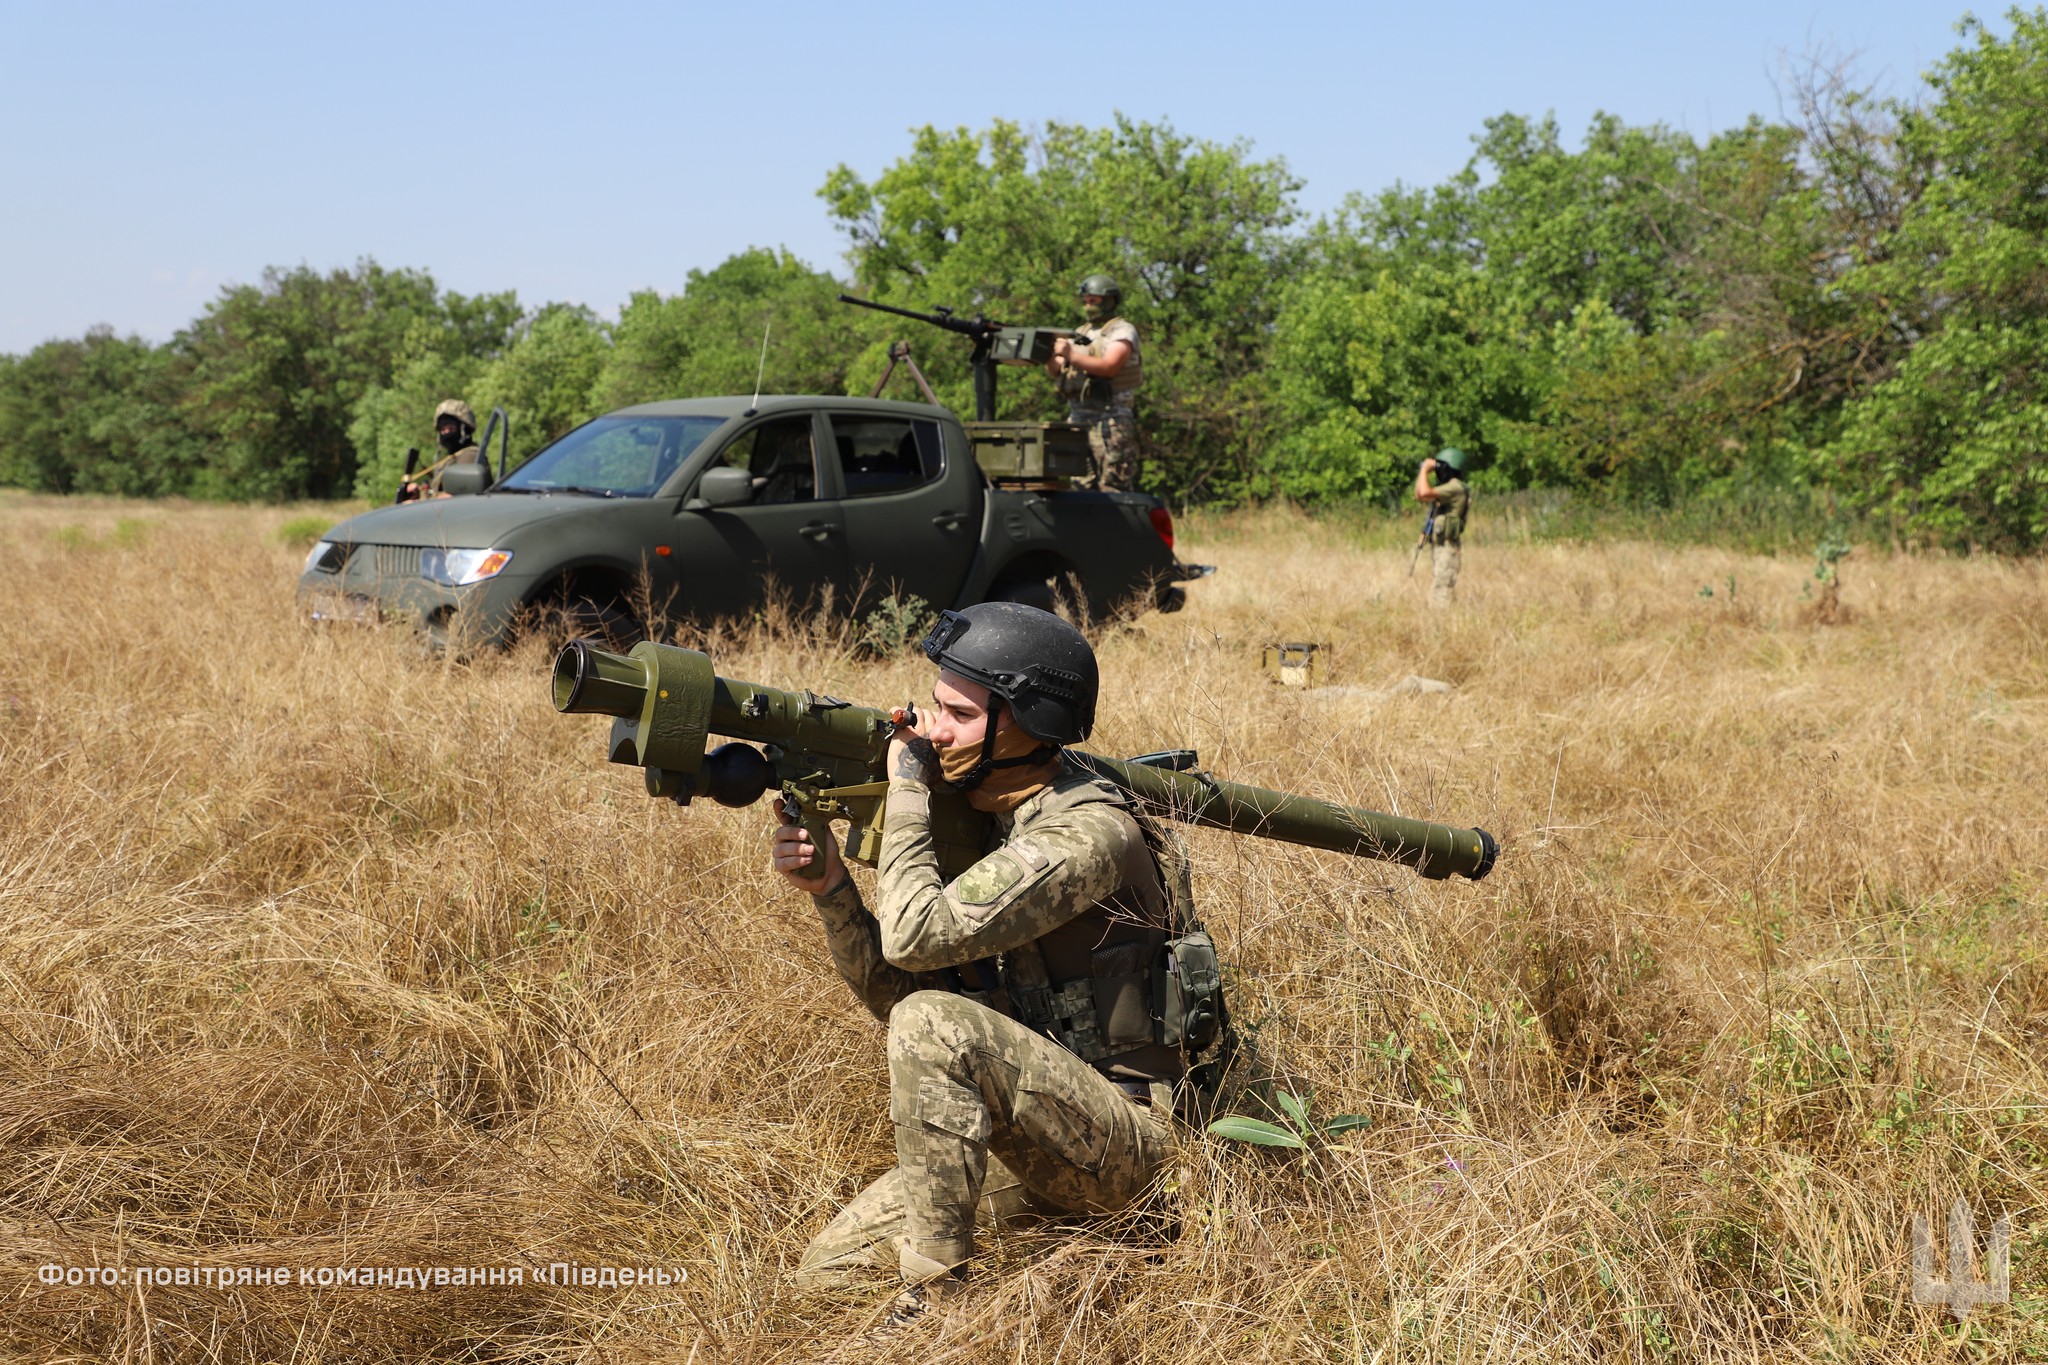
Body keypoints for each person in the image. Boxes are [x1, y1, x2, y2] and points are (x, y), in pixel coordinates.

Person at [771, 602, 1204, 1323]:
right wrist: (832, 892)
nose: (931, 730)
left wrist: (905, 784)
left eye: (957, 714)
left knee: (932, 1023)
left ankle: (937, 1302)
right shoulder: (992, 814)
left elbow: (916, 949)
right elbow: (901, 991)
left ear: (1027, 724)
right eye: (935, 706)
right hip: (1041, 1124)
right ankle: (1069, 1236)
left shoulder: (1088, 834)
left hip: (1135, 1147)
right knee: (827, 1274)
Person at [1046, 274, 1143, 492]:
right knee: (1080, 485)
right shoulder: (1080, 333)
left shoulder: (1122, 331)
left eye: (1094, 300)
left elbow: (1110, 366)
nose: (1088, 306)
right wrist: (1048, 354)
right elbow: (1055, 370)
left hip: (1111, 419)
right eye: (1086, 300)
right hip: (1078, 420)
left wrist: (1070, 354)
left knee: (1113, 485)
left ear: (1109, 300)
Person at [1414, 446, 1472, 607]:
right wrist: (1423, 472)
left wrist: (1425, 470)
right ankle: (1438, 618)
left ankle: (1442, 621)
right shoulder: (1450, 487)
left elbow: (1424, 492)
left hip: (1448, 545)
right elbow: (1419, 494)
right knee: (1439, 581)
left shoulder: (1455, 487)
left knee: (1443, 585)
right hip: (1440, 544)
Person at [401, 399, 487, 500]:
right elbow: (439, 492)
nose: (446, 433)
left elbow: (456, 496)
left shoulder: (470, 456)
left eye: (451, 428)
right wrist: (419, 493)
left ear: (464, 429)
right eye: (443, 430)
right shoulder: (450, 459)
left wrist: (417, 504)